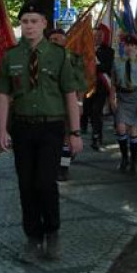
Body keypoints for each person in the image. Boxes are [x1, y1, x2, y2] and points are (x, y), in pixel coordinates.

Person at [0, 3, 82, 261]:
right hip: (22, 127)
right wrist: (2, 129)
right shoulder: (11, 56)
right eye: (25, 21)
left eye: (34, 20)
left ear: (44, 23)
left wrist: (75, 132)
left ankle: (52, 232)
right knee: (26, 185)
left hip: (51, 126)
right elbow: (3, 95)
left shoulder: (59, 55)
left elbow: (70, 94)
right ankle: (33, 238)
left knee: (45, 182)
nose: (29, 26)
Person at [48, 26, 85, 181]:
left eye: (57, 39)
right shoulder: (44, 57)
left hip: (68, 102)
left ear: (65, 40)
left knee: (67, 136)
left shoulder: (73, 58)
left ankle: (63, 168)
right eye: (51, 39)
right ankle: (53, 166)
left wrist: (80, 103)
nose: (53, 42)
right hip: (51, 104)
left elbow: (81, 83)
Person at [109, 35, 137, 174]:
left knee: (133, 130)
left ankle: (134, 160)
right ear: (123, 47)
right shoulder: (117, 62)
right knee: (120, 128)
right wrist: (111, 98)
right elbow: (113, 82)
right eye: (127, 45)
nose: (130, 48)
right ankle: (124, 157)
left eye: (133, 46)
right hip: (122, 97)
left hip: (136, 97)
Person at [83, 23, 115, 152]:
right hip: (86, 85)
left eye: (99, 36)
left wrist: (93, 66)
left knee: (97, 111)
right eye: (95, 35)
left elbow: (106, 67)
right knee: (86, 109)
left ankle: (96, 136)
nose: (97, 38)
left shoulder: (108, 51)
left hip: (101, 86)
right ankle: (83, 127)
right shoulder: (85, 49)